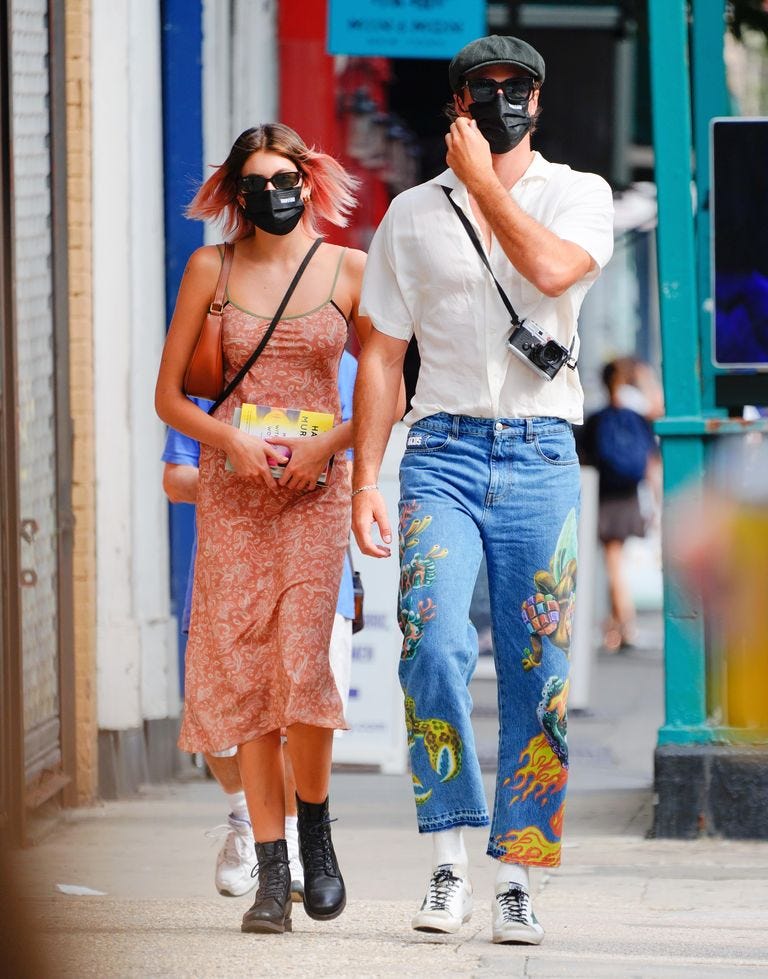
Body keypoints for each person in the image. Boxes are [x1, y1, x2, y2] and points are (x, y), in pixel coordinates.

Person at [351, 35, 614, 945]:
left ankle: (518, 877)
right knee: (429, 642)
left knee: (538, 671)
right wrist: (364, 481)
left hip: (542, 454)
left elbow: (549, 272)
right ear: (457, 101)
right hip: (442, 452)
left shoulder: (581, 196)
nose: (500, 99)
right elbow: (383, 352)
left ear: (537, 102)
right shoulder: (410, 215)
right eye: (482, 88)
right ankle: (450, 861)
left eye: (516, 88)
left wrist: (489, 187)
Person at [155, 123, 376, 936]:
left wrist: (334, 443)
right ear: (234, 193)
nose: (272, 194)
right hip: (235, 495)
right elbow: (171, 396)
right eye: (254, 182)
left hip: (315, 492)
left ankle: (316, 830)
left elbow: (389, 387)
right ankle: (273, 873)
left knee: (306, 668)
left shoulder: (350, 269)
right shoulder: (210, 269)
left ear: (310, 181)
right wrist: (233, 441)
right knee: (249, 679)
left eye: (285, 178)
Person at [162, 352, 358, 901]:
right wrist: (247, 466)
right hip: (230, 567)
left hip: (315, 568)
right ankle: (246, 818)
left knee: (302, 716)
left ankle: (291, 847)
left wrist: (324, 469)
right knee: (225, 725)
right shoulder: (211, 366)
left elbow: (372, 436)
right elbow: (176, 478)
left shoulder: (339, 363)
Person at [580, 357, 662, 650]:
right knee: (616, 562)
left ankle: (625, 624)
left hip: (602, 497)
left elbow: (583, 460)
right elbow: (652, 462)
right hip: (629, 496)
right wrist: (656, 501)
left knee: (613, 564)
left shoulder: (597, 419)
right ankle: (614, 627)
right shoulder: (638, 417)